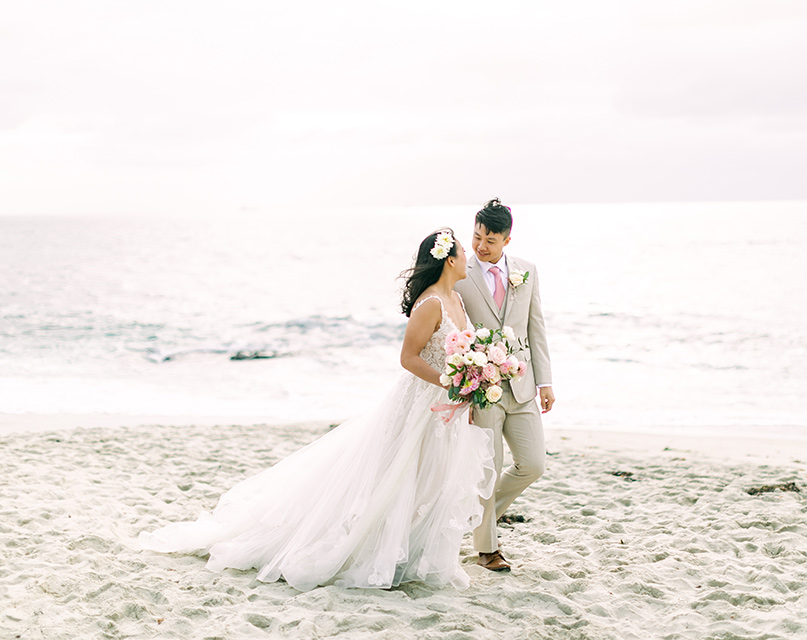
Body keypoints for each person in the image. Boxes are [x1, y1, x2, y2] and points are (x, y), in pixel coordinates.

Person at [139, 229, 495, 591]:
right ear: (449, 259)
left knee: (435, 481)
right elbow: (408, 358)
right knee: (398, 479)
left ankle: (415, 552)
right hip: (420, 404)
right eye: (464, 250)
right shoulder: (431, 302)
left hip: (446, 409)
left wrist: (469, 380)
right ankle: (377, 551)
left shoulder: (457, 301)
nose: (469, 255)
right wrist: (447, 382)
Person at [454, 199, 555, 572]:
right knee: (489, 468)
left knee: (533, 464)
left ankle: (479, 517)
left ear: (507, 240)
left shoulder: (526, 272)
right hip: (482, 387)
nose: (482, 246)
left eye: (491, 240)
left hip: (523, 384)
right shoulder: (460, 274)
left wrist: (545, 381)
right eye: (477, 237)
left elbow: (536, 328)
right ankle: (487, 549)